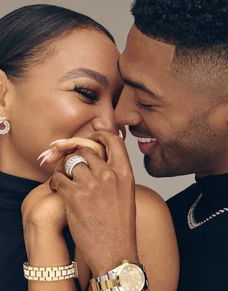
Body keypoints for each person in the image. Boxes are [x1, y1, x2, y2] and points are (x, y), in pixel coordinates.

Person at [0, 4, 179, 291]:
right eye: (86, 93)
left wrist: (44, 232)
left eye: (115, 102)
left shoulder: (137, 214)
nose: (110, 124)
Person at [47, 0, 228, 290]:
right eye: (123, 86)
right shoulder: (178, 213)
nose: (119, 116)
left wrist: (115, 259)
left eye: (146, 101)